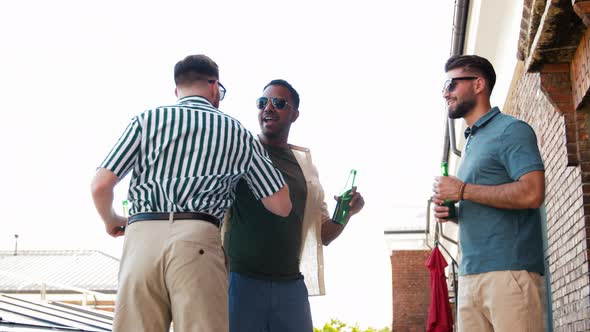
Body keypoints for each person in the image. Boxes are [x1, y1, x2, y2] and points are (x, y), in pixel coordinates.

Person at [90, 54, 292, 332]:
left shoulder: (145, 120)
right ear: (214, 87)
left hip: (140, 239)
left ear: (177, 90)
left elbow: (100, 185)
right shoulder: (236, 132)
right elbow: (281, 205)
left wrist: (111, 219)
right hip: (197, 238)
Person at [223, 79, 365, 332]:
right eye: (262, 102)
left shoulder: (306, 168)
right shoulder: (240, 153)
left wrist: (345, 212)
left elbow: (324, 234)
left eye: (278, 103)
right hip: (240, 282)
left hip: (290, 287)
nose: (268, 108)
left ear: (294, 114)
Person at [432, 54, 546, 332]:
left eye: (451, 84)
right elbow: (484, 199)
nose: (446, 93)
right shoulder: (472, 141)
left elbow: (532, 194)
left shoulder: (511, 130)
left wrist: (464, 190)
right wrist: (455, 212)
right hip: (470, 274)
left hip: (510, 272)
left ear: (479, 84)